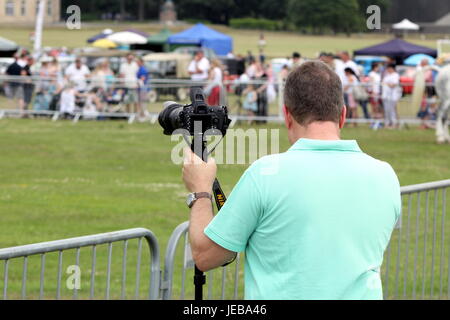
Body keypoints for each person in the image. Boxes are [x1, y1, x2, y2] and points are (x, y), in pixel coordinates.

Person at [182, 61, 400, 300]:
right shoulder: (385, 174)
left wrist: (201, 191)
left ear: (287, 115)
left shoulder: (265, 174)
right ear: (343, 115)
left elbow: (205, 256)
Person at [382, 64, 402, 129]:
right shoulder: (387, 75)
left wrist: (387, 84)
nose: (388, 70)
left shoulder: (395, 75)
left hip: (393, 95)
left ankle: (394, 123)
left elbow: (393, 84)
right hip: (386, 95)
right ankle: (387, 123)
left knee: (392, 110)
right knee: (386, 110)